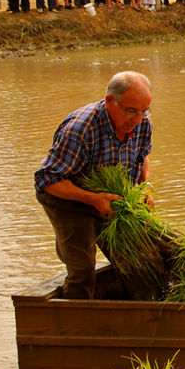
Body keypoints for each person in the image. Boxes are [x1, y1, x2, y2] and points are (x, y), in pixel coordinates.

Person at [35, 71, 154, 299]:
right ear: (110, 101)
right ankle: (73, 324)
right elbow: (46, 180)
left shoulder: (143, 123)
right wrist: (93, 199)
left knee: (137, 255)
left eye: (144, 111)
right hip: (67, 196)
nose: (138, 119)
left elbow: (143, 157)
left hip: (111, 196)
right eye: (131, 111)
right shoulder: (80, 129)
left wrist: (144, 187)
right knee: (82, 268)